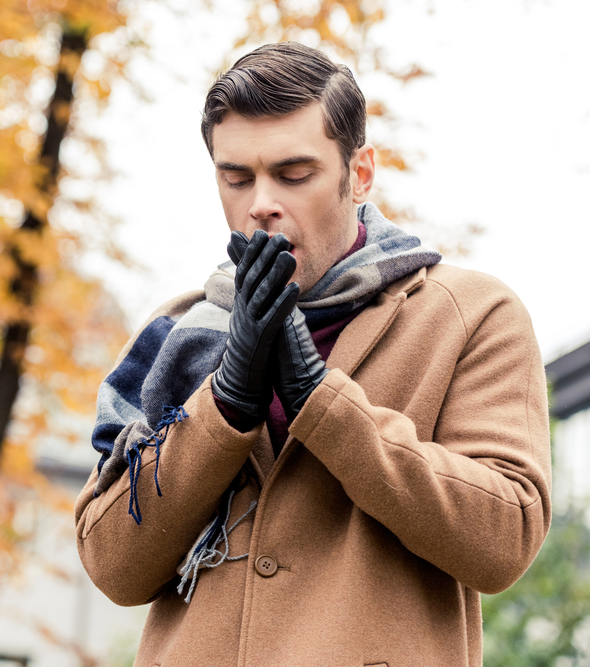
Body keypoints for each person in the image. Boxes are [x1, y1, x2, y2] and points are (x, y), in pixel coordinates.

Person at [74, 41, 551, 666]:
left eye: (294, 174)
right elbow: (114, 568)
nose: (261, 202)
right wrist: (225, 403)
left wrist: (320, 401)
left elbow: (503, 540)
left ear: (360, 173)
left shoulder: (471, 315)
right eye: (236, 177)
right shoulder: (178, 331)